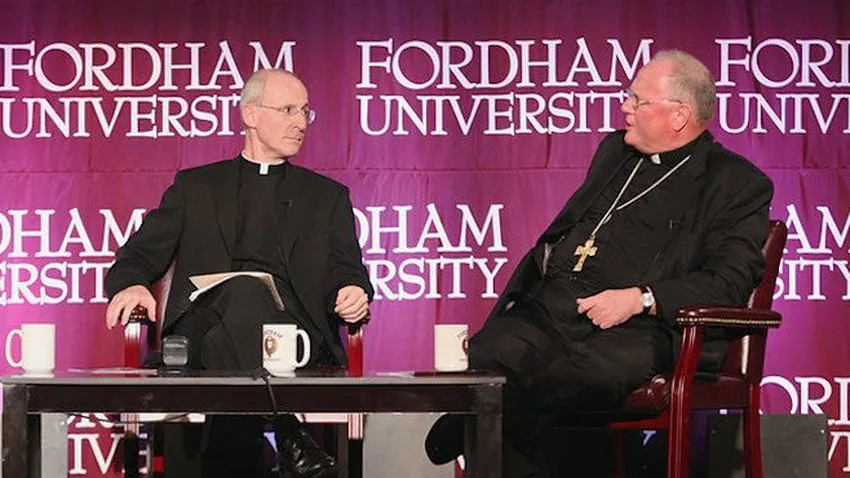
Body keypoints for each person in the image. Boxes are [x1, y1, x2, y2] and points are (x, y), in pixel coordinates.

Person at [425, 50, 774, 477]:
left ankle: (469, 425)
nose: (625, 107)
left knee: (554, 382)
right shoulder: (615, 151)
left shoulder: (737, 183)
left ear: (680, 114)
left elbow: (730, 281)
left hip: (643, 331)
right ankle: (479, 417)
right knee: (485, 356)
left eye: (638, 100)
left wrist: (642, 298)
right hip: (559, 308)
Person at [105, 69, 373, 478]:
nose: (300, 123)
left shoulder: (327, 197)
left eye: (305, 111)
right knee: (243, 293)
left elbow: (348, 269)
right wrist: (132, 285)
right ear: (250, 114)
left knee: (235, 321)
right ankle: (289, 433)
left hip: (292, 337)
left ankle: (234, 459)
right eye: (287, 110)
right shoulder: (196, 188)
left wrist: (353, 289)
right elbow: (137, 255)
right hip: (202, 329)